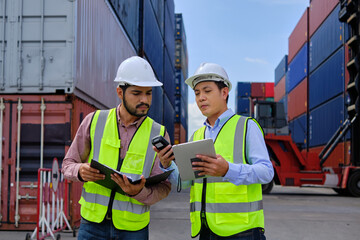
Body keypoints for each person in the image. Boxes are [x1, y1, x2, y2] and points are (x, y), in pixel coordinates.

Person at [155, 62, 274, 240]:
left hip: (242, 231)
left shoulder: (246, 126)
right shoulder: (197, 135)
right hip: (206, 230)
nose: (201, 97)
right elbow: (186, 182)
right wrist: (166, 164)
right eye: (197, 93)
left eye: (207, 91)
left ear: (224, 92)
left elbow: (266, 172)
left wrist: (228, 170)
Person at [62, 56, 172, 240]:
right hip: (92, 225)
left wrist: (139, 192)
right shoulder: (95, 121)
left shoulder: (158, 133)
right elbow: (67, 165)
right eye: (137, 93)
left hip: (133, 229)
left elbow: (164, 187)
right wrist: (80, 171)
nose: (144, 100)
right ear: (120, 92)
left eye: (149, 93)